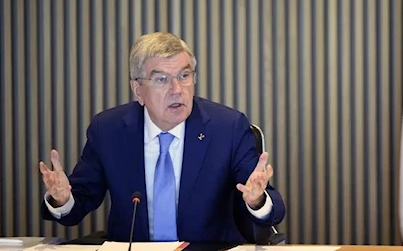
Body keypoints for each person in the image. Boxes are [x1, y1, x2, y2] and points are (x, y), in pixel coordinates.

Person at [39, 31, 285, 243]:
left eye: (184, 76)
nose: (177, 90)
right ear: (138, 90)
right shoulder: (109, 130)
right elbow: (78, 204)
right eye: (161, 80)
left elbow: (272, 207)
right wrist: (62, 199)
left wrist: (257, 200)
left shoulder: (227, 127)